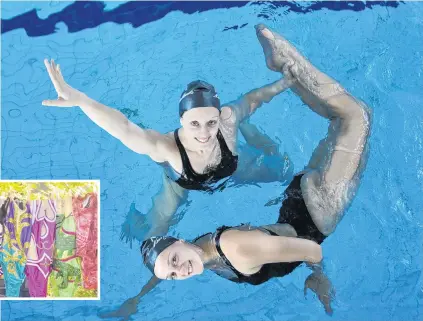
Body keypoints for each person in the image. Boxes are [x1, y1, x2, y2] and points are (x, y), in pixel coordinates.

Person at [105, 23, 371, 318]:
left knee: (355, 117)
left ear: (179, 242)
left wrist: (318, 274)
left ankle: (287, 66)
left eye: (175, 261)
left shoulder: (233, 249)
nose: (180, 270)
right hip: (295, 205)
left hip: (318, 212)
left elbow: (313, 250)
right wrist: (138, 298)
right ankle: (287, 71)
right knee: (343, 122)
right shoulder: (196, 253)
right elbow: (165, 264)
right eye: (173, 273)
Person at [42, 49, 295, 245]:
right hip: (182, 181)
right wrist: (82, 101)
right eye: (194, 123)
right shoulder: (167, 148)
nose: (205, 133)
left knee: (283, 169)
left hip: (233, 169)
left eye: (211, 122)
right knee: (157, 230)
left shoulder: (228, 119)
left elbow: (254, 99)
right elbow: (124, 129)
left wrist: (284, 83)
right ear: (181, 120)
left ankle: (250, 130)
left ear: (219, 116)